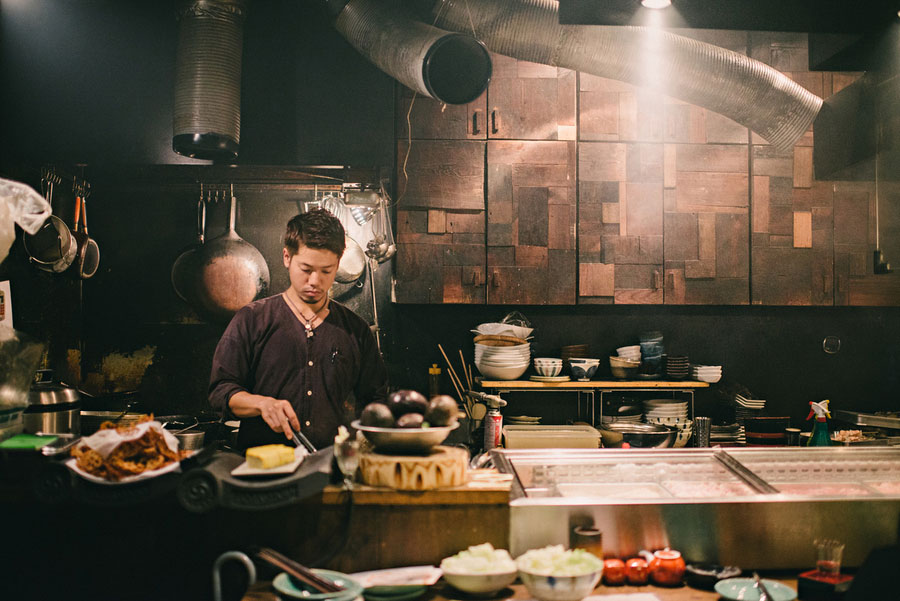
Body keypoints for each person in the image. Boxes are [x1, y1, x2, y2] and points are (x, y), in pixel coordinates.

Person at [209, 209, 388, 451]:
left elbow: (375, 400)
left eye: (326, 271)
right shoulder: (252, 319)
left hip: (328, 467)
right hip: (262, 473)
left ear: (338, 262)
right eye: (306, 269)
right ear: (287, 257)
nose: (315, 280)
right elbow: (221, 391)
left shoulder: (356, 330)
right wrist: (262, 404)